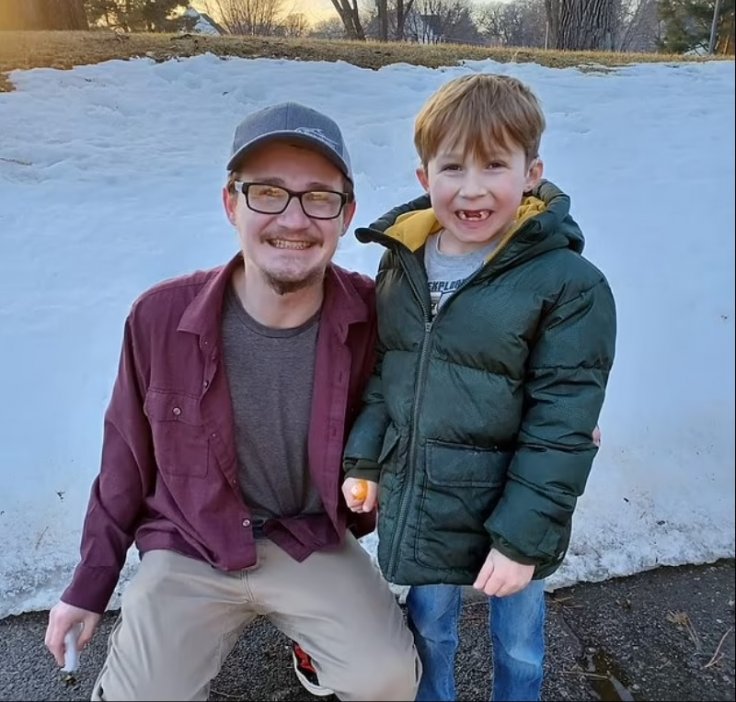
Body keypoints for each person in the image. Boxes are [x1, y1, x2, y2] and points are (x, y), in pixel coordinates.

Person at [44, 101, 420, 701]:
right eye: (268, 192)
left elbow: (449, 379)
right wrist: (87, 587)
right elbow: (124, 464)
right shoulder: (159, 318)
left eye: (318, 197)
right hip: (190, 544)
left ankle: (313, 649)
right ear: (231, 204)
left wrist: (539, 418)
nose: (293, 220)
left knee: (390, 681)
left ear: (346, 215)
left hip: (307, 541)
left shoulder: (375, 317)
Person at [340, 74, 617, 701]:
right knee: (428, 632)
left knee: (518, 644)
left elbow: (562, 421)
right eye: (452, 166)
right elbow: (388, 373)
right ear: (423, 178)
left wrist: (523, 540)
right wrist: (366, 459)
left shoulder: (569, 285)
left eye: (495, 164)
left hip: (512, 506)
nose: (471, 188)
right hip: (426, 501)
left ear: (531, 172)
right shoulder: (402, 262)